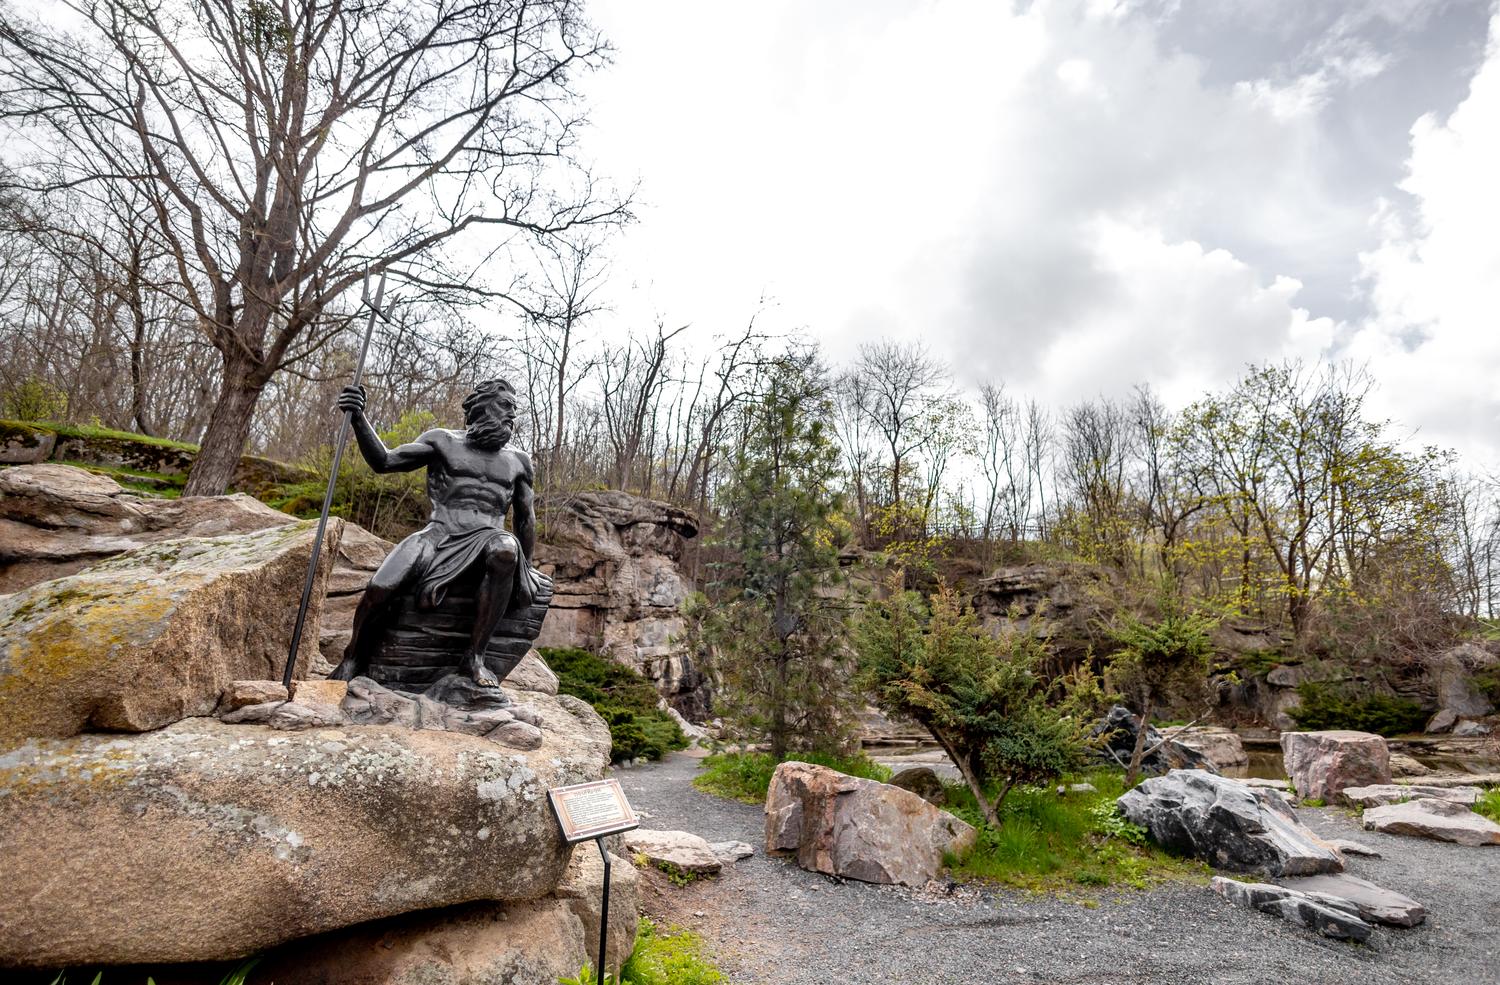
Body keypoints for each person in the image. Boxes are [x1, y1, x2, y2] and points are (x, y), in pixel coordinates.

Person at [328, 379, 545, 687]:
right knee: (380, 586)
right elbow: (385, 461)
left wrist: (529, 569)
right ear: (483, 408)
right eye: (506, 406)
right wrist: (359, 417)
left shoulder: (519, 461)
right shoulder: (443, 441)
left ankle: (475, 658)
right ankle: (353, 656)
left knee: (506, 549)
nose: (512, 415)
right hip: (439, 532)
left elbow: (525, 518)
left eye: (514, 409)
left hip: (490, 537)